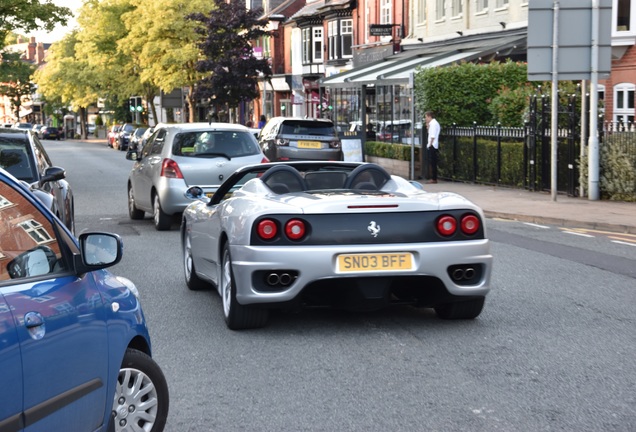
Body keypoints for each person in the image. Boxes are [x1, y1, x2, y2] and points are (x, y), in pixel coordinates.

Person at [425, 111, 440, 184]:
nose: (426, 119)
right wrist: (428, 126)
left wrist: (430, 144)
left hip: (433, 145)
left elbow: (433, 135)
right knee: (432, 162)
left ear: (429, 116)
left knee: (433, 162)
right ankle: (433, 177)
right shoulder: (432, 124)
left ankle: (434, 178)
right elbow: (429, 133)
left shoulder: (434, 124)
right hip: (432, 145)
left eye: (426, 117)